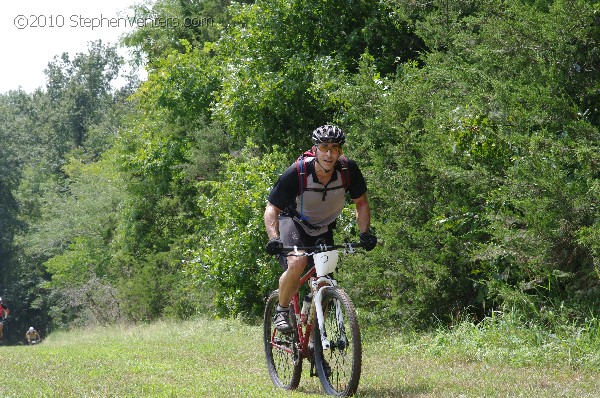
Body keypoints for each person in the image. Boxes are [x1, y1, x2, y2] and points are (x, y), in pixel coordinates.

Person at [264, 125, 377, 332]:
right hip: (294, 222)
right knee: (298, 262)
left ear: (340, 151)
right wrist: (274, 238)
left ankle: (316, 343)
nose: (329, 153)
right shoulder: (298, 171)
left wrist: (365, 233)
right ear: (314, 149)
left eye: (334, 148)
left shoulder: (348, 170)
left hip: (323, 227)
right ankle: (281, 310)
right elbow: (272, 208)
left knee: (325, 281)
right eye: (324, 147)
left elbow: (360, 202)